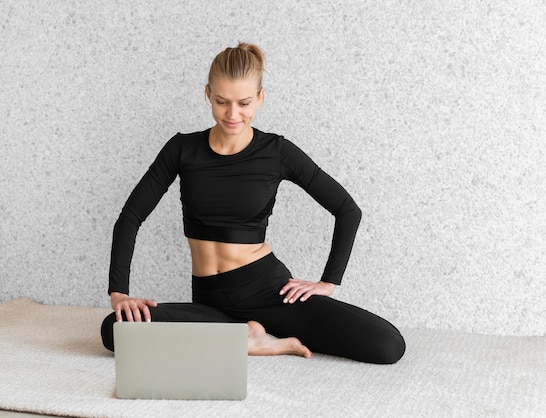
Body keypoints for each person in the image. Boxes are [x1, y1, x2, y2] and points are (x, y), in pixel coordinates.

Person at [101, 43, 405, 364]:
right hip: (210, 301)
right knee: (115, 330)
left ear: (260, 97)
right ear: (207, 94)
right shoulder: (182, 149)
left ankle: (240, 335)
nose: (233, 114)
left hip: (268, 292)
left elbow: (347, 209)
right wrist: (118, 292)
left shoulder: (277, 151)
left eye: (244, 103)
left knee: (387, 345)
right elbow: (131, 216)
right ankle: (247, 337)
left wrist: (328, 281)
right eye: (222, 102)